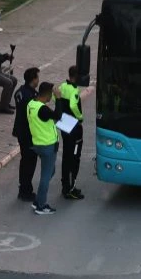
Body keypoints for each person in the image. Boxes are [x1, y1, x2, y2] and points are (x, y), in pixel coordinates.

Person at [27, 81, 64, 215]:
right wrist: (58, 98)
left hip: (38, 143)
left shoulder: (32, 104)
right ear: (47, 95)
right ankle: (41, 205)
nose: (51, 99)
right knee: (45, 176)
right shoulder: (43, 109)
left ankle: (38, 200)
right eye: (51, 96)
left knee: (51, 171)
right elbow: (58, 116)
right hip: (47, 145)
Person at [57, 66, 86, 201]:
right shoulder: (74, 90)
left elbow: (54, 95)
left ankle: (66, 184)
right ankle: (70, 188)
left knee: (67, 156)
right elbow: (74, 106)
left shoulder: (63, 86)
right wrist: (80, 117)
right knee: (74, 157)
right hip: (73, 125)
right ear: (77, 76)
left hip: (64, 122)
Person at [12, 66, 41, 202]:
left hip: (20, 130)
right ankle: (26, 190)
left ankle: (23, 188)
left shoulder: (20, 92)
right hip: (29, 133)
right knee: (30, 162)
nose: (38, 80)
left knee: (25, 161)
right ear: (33, 79)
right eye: (37, 77)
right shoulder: (32, 97)